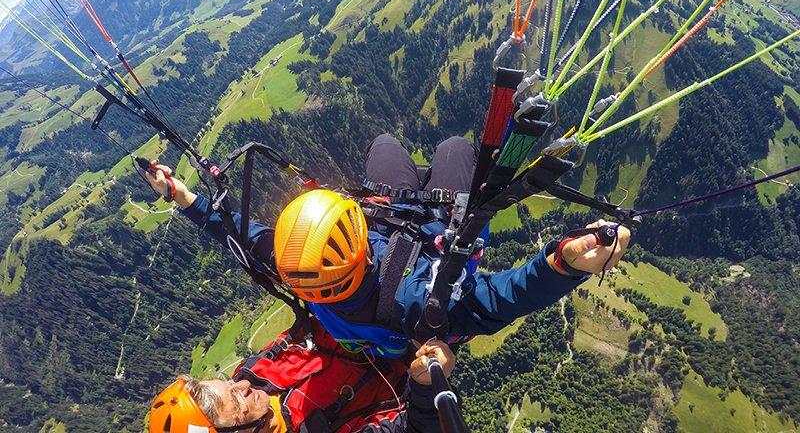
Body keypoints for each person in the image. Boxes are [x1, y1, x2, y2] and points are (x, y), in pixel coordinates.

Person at [144, 134, 630, 357]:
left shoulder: (299, 266)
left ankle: (424, 176)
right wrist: (562, 266)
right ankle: (449, 170)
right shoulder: (416, 304)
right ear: (360, 247)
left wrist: (183, 197)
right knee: (456, 150)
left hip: (399, 222)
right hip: (441, 241)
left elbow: (241, 232)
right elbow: (496, 300)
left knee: (384, 148)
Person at [148, 315, 455, 433]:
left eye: (229, 383)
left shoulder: (254, 374)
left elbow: (305, 327)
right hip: (417, 353)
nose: (242, 384)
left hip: (372, 315)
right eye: (236, 400)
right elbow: (415, 429)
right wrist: (425, 384)